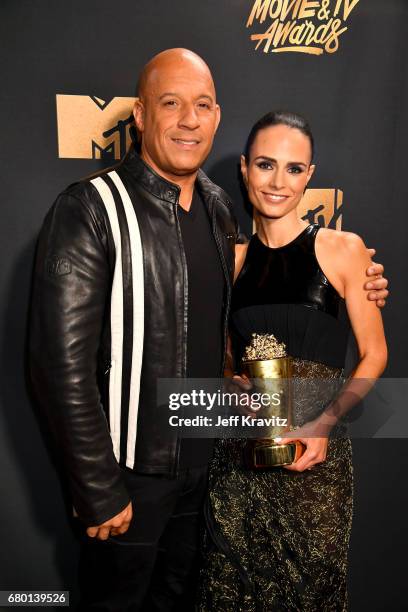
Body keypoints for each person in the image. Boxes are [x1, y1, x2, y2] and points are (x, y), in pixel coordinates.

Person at [28, 48, 388, 611]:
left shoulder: (221, 215)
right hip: (133, 476)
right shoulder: (91, 209)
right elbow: (58, 364)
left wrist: (359, 290)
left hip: (214, 471)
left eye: (201, 105)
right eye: (171, 103)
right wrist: (95, 484)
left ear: (217, 117)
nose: (189, 120)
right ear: (141, 115)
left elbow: (225, 332)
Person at [198, 111, 387, 611]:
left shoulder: (344, 250)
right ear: (243, 169)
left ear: (311, 174)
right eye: (265, 165)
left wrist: (325, 422)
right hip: (240, 461)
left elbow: (375, 354)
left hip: (316, 464)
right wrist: (231, 386)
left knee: (311, 591)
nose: (279, 182)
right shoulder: (230, 262)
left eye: (294, 168)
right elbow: (222, 363)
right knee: (230, 590)